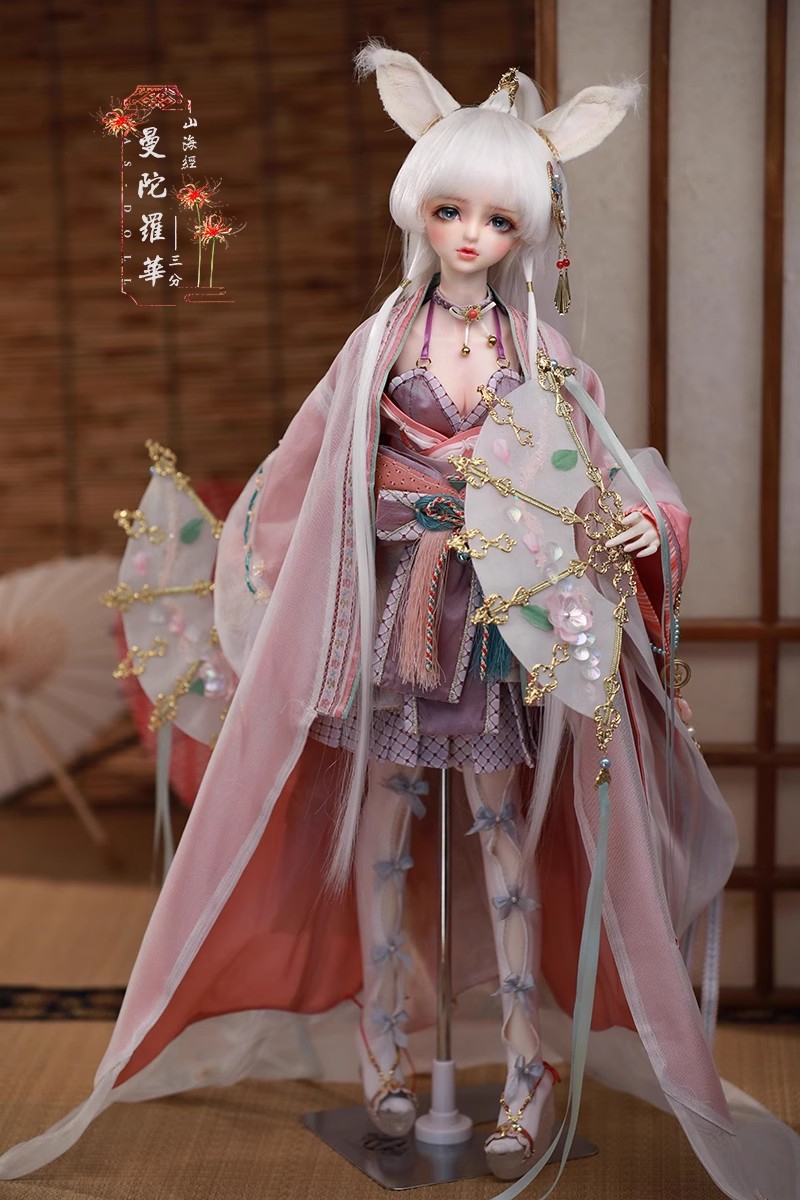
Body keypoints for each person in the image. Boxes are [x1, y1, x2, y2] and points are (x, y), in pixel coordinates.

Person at [0, 43, 797, 1200]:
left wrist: (635, 527)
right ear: (418, 206)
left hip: (493, 617)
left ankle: (524, 1069)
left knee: (501, 830)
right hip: (387, 607)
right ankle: (382, 1051)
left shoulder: (542, 354)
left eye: (496, 218)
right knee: (379, 831)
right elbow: (301, 474)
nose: (469, 234)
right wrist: (285, 577)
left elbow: (595, 481)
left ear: (524, 230)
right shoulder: (378, 344)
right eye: (449, 209)